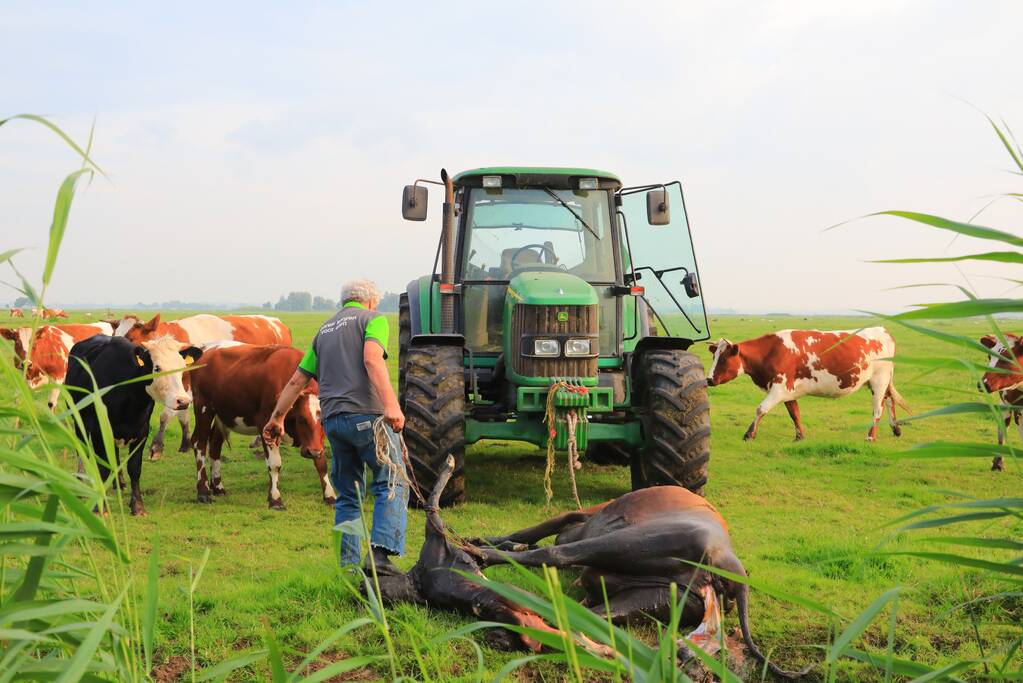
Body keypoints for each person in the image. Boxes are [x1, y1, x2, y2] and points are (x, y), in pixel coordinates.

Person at [262, 279, 407, 571]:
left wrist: (277, 417)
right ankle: (380, 559)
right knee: (391, 482)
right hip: (367, 417)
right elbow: (372, 360)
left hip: (334, 422)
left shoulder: (323, 331)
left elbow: (296, 380)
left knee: (348, 494)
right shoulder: (373, 319)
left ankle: (349, 566)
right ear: (371, 301)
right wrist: (391, 405)